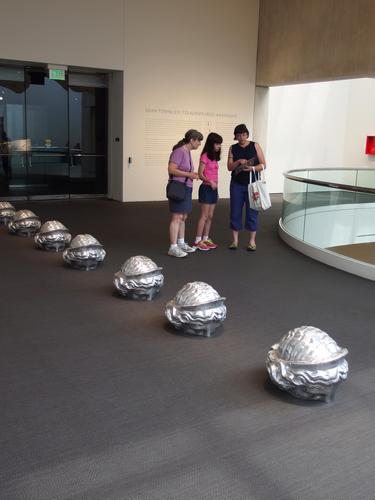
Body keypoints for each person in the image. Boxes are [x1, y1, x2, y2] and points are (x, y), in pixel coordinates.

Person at [227, 123, 266, 251]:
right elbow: (229, 168)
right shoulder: (232, 148)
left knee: (252, 211)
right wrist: (238, 162)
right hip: (236, 184)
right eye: (239, 135)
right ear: (235, 136)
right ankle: (235, 241)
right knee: (235, 211)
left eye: (244, 134)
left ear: (247, 135)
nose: (242, 137)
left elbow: (264, 165)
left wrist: (252, 168)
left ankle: (252, 241)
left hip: (252, 185)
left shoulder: (255, 145)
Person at [167, 129, 203, 257]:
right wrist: (189, 174)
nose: (199, 144)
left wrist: (191, 175)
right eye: (198, 141)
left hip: (186, 187)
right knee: (177, 217)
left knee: (183, 217)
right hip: (179, 187)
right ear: (192, 140)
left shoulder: (186, 152)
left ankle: (181, 243)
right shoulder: (179, 151)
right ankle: (173, 247)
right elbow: (171, 169)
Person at [193, 132, 223, 251]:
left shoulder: (214, 157)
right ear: (211, 144)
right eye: (217, 144)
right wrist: (210, 182)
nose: (219, 146)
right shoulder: (204, 156)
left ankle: (205, 238)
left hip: (213, 190)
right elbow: (200, 175)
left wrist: (215, 186)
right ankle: (197, 240)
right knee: (204, 216)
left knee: (210, 216)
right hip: (206, 188)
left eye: (220, 144)